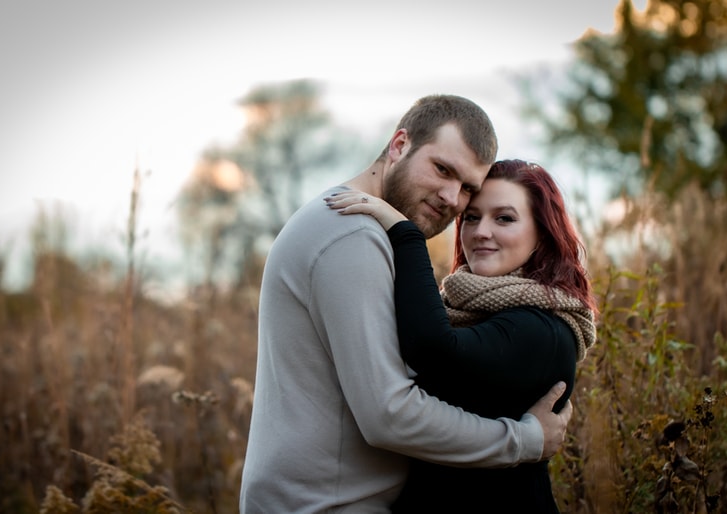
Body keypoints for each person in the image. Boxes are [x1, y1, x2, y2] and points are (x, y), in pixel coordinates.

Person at [240, 95, 573, 513]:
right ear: (399, 146)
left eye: (467, 187)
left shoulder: (356, 229)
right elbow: (389, 414)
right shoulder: (352, 238)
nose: (453, 198)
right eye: (442, 169)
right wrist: (524, 441)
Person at [325, 159, 597, 512]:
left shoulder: (544, 329)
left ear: (542, 234)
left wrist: (406, 233)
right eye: (471, 217)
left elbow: (434, 349)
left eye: (504, 218)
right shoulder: (466, 312)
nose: (481, 231)